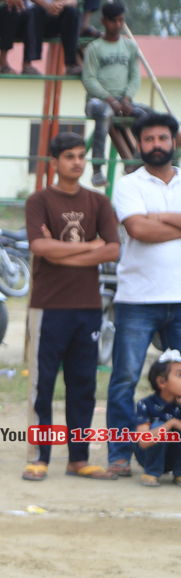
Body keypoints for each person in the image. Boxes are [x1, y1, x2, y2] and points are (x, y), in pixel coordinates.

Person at [21, 131, 121, 482]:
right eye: (69, 156)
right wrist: (90, 247)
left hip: (88, 306)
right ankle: (38, 457)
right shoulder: (39, 201)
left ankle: (79, 458)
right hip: (48, 306)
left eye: (81, 156)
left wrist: (62, 254)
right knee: (42, 386)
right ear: (55, 162)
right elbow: (40, 247)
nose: (77, 162)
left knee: (83, 385)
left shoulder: (99, 202)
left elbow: (113, 249)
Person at [105, 112, 181, 479]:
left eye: (162, 138)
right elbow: (137, 229)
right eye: (148, 139)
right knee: (124, 379)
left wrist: (157, 216)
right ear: (139, 145)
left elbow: (148, 224)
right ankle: (119, 454)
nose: (156, 145)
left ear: (174, 142)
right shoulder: (127, 185)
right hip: (137, 299)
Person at [83, 0, 148, 189]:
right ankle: (97, 170)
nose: (117, 25)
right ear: (103, 22)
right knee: (104, 114)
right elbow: (89, 80)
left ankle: (136, 162)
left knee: (147, 116)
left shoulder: (130, 47)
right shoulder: (94, 48)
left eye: (121, 20)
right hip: (97, 101)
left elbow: (135, 77)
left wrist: (126, 98)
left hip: (124, 101)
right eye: (113, 21)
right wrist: (110, 99)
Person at [21, 0, 81, 77]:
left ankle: (70, 64)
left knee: (72, 12)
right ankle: (27, 64)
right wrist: (47, 5)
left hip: (48, 20)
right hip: (27, 22)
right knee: (35, 12)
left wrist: (61, 3)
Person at [133, 351, 181, 487]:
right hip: (148, 456)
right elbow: (144, 441)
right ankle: (152, 471)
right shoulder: (145, 404)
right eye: (180, 375)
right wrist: (171, 423)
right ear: (161, 382)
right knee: (158, 426)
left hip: (173, 456)